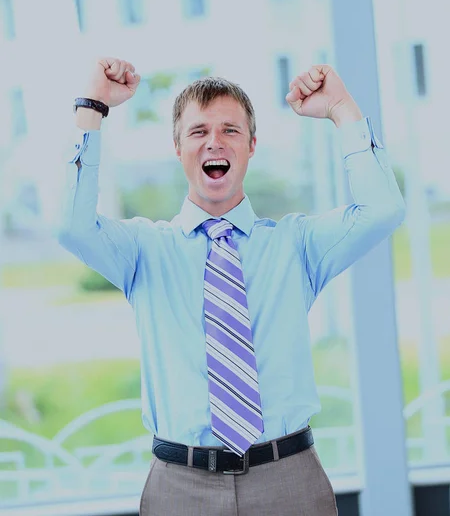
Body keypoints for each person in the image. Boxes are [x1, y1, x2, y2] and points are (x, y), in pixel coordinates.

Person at [58, 57, 406, 516]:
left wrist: (342, 108)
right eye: (198, 132)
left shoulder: (295, 244)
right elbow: (71, 226)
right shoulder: (143, 250)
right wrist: (92, 108)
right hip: (179, 486)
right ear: (177, 147)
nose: (214, 143)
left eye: (230, 130)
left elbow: (381, 210)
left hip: (289, 480)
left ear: (252, 146)